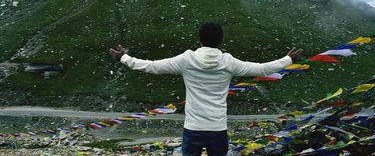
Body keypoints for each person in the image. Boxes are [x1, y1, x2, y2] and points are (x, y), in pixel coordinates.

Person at [109, 22, 303, 156]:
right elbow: (261, 68)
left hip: (192, 128)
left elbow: (151, 66)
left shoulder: (187, 60)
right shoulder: (229, 62)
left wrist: (124, 58)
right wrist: (288, 59)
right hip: (217, 129)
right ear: (221, 39)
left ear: (200, 39)